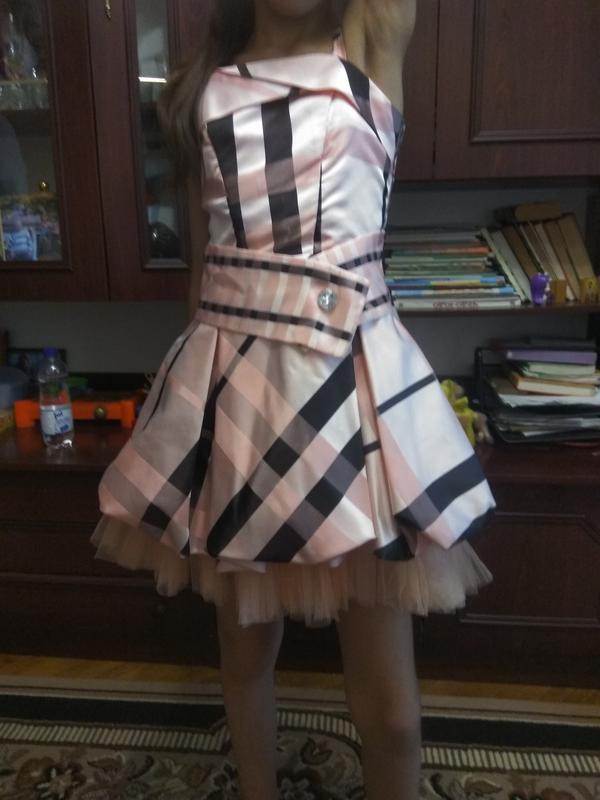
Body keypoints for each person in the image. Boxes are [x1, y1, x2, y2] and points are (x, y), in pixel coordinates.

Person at [91, 2, 497, 798]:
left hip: (355, 395)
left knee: (393, 715)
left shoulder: (372, 39)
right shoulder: (203, 87)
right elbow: (204, 274)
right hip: (238, 395)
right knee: (245, 651)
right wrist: (195, 420)